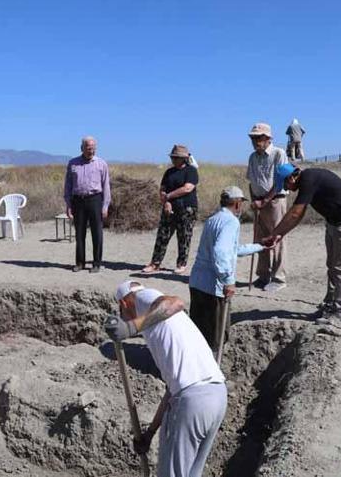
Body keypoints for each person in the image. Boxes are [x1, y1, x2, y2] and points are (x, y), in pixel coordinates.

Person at [104, 281, 227, 477]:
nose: (122, 317)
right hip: (216, 396)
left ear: (125, 304)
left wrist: (130, 327)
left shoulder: (144, 298)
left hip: (193, 401)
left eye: (121, 312)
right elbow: (173, 390)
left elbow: (175, 303)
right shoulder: (164, 329)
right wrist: (150, 432)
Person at [263, 164, 341, 324]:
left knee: (340, 268)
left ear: (292, 177)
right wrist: (279, 235)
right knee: (331, 265)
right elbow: (298, 215)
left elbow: (295, 213)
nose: (287, 189)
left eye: (286, 184)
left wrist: (274, 234)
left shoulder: (308, 180)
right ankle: (330, 304)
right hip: (333, 221)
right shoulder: (306, 181)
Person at [188, 186, 269, 349]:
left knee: (198, 334)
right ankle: (211, 372)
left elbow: (231, 249)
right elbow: (221, 252)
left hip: (197, 283)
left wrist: (260, 246)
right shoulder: (231, 222)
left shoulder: (213, 219)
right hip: (213, 288)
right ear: (238, 204)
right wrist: (228, 281)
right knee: (216, 338)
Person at [142, 144, 199, 275]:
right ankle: (155, 263)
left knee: (184, 236)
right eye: (173, 157)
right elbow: (162, 189)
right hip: (169, 208)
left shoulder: (191, 171)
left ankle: (181, 263)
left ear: (183, 158)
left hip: (187, 208)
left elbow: (188, 188)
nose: (174, 159)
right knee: (163, 235)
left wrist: (169, 196)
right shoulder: (169, 172)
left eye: (176, 157)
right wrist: (166, 201)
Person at [246, 122, 289, 292]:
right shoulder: (252, 157)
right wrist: (254, 201)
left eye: (259, 137)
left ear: (268, 138)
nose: (255, 141)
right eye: (253, 138)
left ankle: (279, 278)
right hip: (258, 202)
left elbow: (280, 180)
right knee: (261, 239)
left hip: (275, 201)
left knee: (277, 238)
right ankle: (263, 275)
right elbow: (251, 180)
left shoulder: (279, 153)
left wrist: (265, 200)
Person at [63, 136, 111, 273]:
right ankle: (80, 263)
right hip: (78, 201)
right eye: (88, 148)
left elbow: (106, 186)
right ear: (82, 148)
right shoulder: (73, 163)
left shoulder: (101, 164)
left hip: (95, 200)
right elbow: (68, 185)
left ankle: (96, 263)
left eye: (93, 148)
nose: (91, 150)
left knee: (97, 234)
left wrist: (105, 205)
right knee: (79, 234)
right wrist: (68, 204)